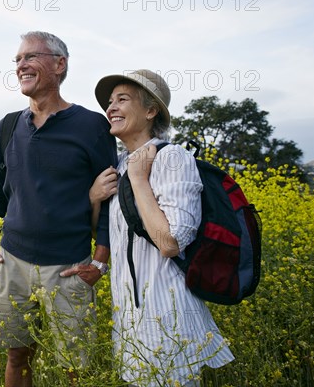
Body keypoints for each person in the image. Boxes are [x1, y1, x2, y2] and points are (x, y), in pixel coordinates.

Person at [0, 31, 117, 386]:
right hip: (13, 262)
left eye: (31, 57)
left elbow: (111, 198)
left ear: (60, 64)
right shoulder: (8, 126)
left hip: (70, 267)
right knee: (16, 354)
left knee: (75, 365)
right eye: (17, 60)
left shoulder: (91, 126)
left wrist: (100, 260)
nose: (21, 66)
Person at [90, 69, 234, 386]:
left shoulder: (173, 159)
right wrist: (95, 199)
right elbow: (115, 239)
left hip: (167, 319)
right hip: (129, 319)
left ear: (151, 110)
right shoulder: (120, 165)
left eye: (122, 99)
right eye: (109, 102)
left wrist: (140, 181)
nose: (110, 108)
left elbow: (170, 242)